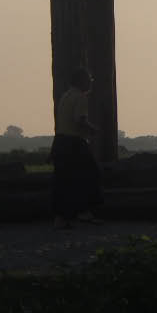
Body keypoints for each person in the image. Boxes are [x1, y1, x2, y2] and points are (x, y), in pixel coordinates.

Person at [50, 67, 102, 229]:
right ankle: (84, 212)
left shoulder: (65, 96)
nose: (91, 83)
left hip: (60, 141)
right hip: (74, 143)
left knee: (63, 180)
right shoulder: (80, 97)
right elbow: (79, 119)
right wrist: (93, 129)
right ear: (82, 81)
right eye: (89, 80)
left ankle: (60, 218)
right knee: (91, 174)